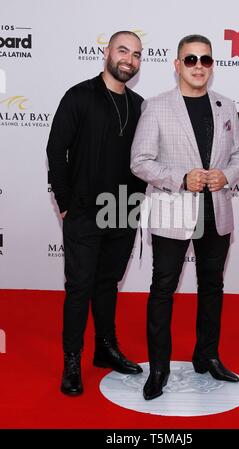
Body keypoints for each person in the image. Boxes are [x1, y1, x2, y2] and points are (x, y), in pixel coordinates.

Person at [131, 34, 239, 400]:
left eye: (206, 60)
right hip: (173, 208)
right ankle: (160, 368)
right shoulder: (156, 106)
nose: (199, 66)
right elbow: (140, 161)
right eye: (191, 59)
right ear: (177, 64)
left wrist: (227, 175)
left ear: (212, 66)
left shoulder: (226, 106)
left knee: (212, 286)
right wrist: (180, 178)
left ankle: (207, 356)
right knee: (163, 289)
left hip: (216, 210)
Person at [46, 31, 146, 396]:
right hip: (85, 211)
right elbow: (56, 151)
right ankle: (72, 360)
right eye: (123, 51)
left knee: (108, 285)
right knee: (79, 288)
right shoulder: (79, 96)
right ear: (107, 52)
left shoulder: (139, 105)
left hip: (124, 210)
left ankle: (105, 349)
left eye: (136, 55)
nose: (129, 59)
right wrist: (66, 203)